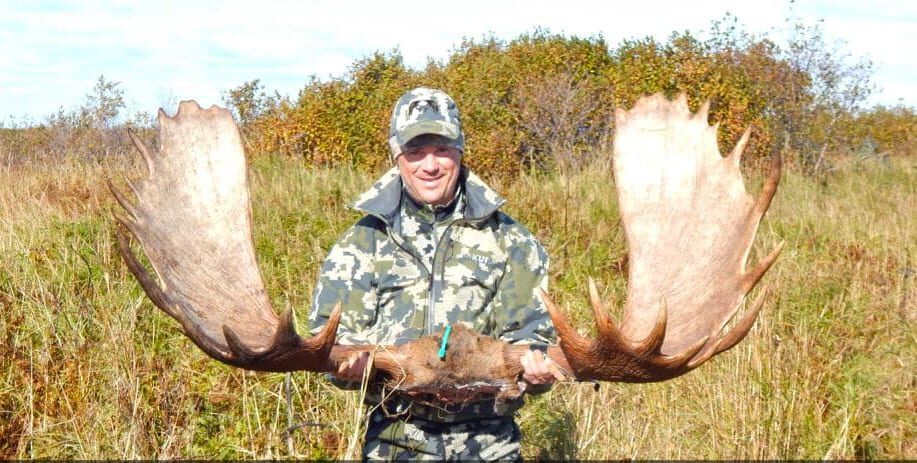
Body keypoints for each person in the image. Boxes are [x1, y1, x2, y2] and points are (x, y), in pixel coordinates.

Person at [309, 87, 561, 461]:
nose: (430, 165)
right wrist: (348, 368)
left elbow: (535, 338)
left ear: (459, 152)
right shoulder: (361, 243)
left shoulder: (512, 240)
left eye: (442, 150)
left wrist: (538, 374)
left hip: (489, 440)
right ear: (397, 157)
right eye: (415, 151)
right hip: (396, 438)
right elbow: (329, 341)